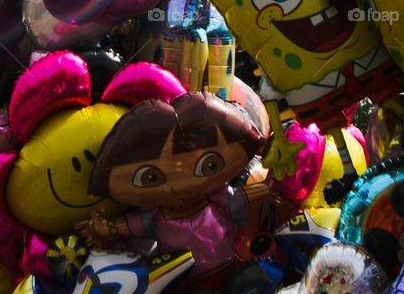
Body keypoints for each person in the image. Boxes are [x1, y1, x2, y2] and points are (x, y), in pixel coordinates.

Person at [77, 93, 270, 278]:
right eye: (151, 177)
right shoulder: (156, 217)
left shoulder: (217, 199)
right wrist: (106, 229)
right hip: (181, 281)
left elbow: (242, 196)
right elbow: (131, 225)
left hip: (228, 266)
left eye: (210, 165)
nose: (181, 185)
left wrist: (271, 188)